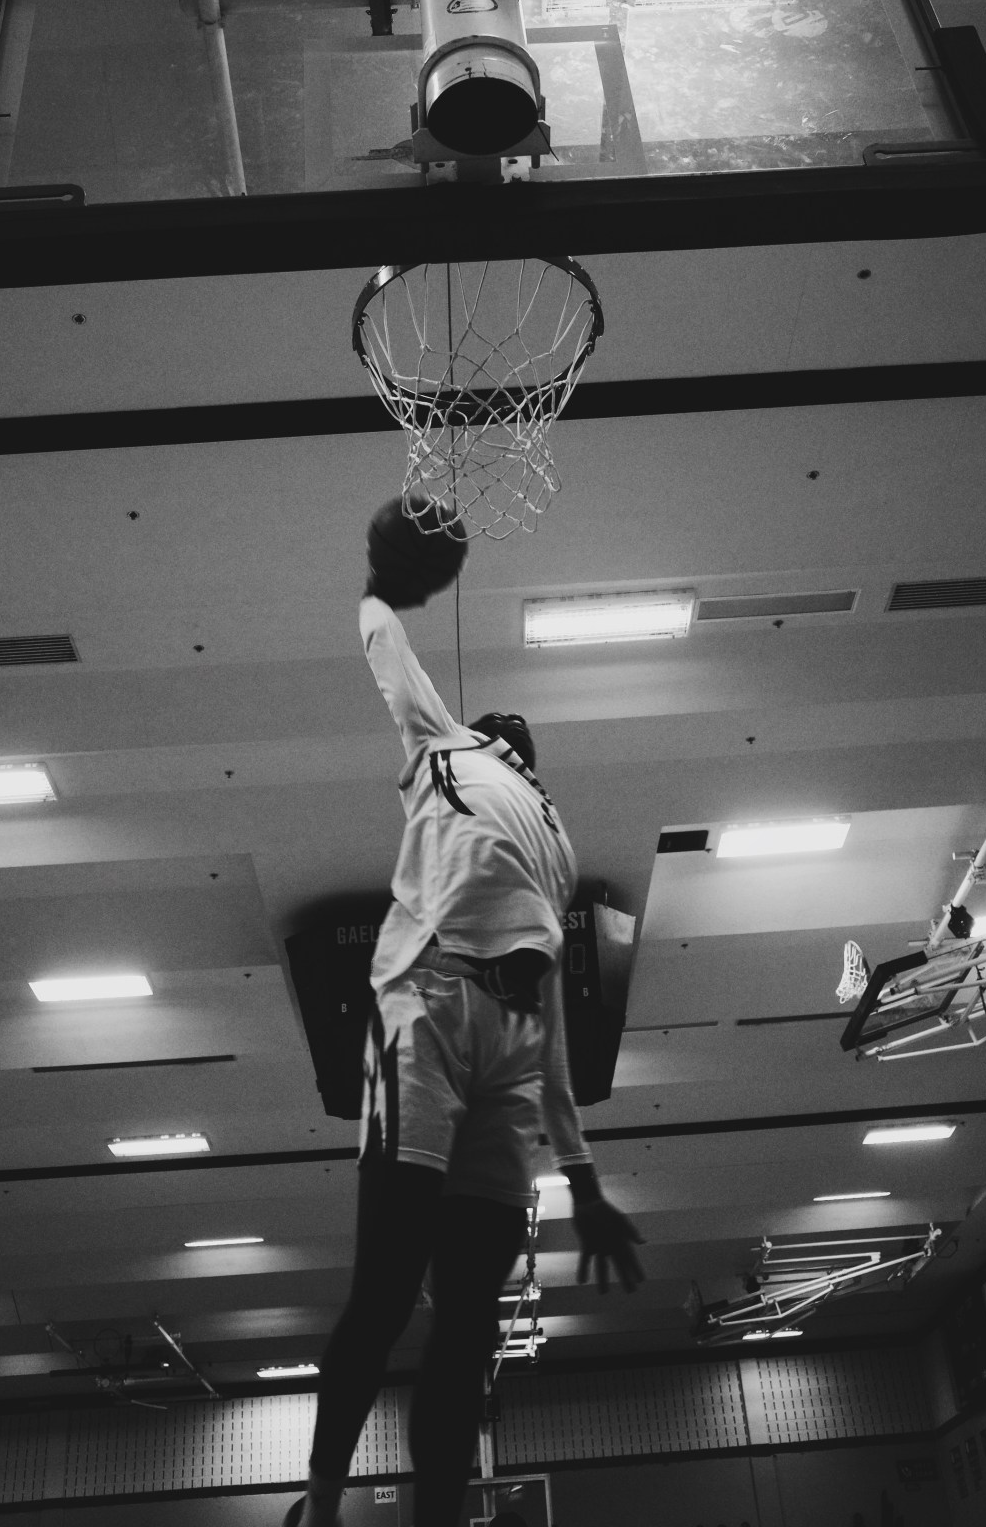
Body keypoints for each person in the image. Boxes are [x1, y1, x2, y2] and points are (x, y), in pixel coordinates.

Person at [286, 510, 643, 1527]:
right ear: (487, 734)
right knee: (389, 1289)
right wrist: (379, 586)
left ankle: (437, 1512)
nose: (517, 731)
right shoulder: (446, 748)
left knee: (471, 1321)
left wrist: (580, 1171)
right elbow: (386, 652)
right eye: (506, 725)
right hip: (429, 1012)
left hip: (514, 1046)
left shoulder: (557, 840)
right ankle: (321, 1495)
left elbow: (559, 1023)